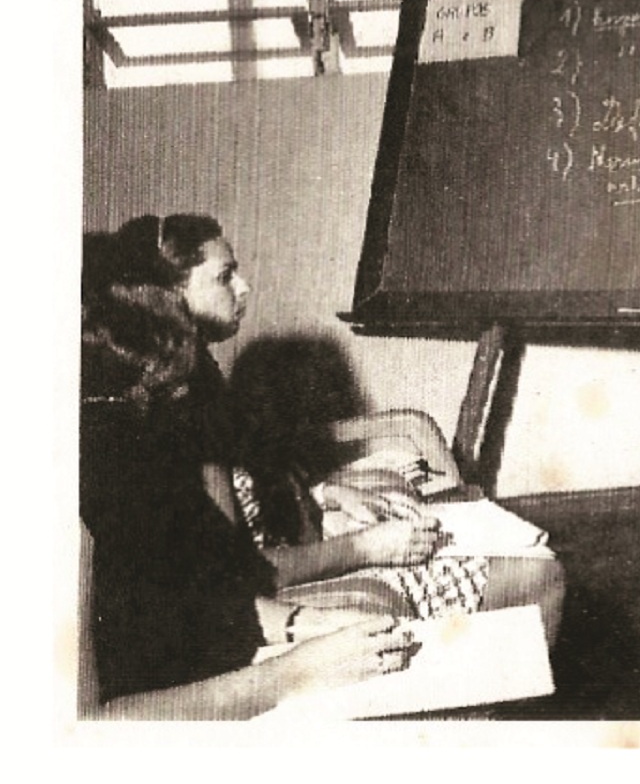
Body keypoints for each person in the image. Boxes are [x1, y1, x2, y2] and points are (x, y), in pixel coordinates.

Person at [112, 213, 565, 646]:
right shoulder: (183, 413)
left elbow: (251, 483)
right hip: (281, 597)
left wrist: (323, 495)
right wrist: (366, 548)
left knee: (497, 548)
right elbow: (242, 574)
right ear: (172, 293)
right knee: (541, 578)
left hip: (295, 550)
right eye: (224, 276)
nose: (244, 287)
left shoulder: (198, 379)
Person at [79, 232, 415, 719]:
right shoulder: (79, 493)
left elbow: (193, 603)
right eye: (156, 392)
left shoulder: (142, 455)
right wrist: (293, 673)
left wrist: (304, 623)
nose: (177, 411)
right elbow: (87, 732)